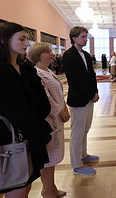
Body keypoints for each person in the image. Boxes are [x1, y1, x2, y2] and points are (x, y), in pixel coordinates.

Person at [0, 22, 52, 198]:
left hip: (29, 131)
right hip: (12, 135)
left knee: (26, 184)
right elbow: (13, 109)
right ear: (4, 41)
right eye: (21, 39)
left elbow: (39, 100)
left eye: (26, 39)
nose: (26, 44)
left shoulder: (25, 67)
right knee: (18, 186)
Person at [27, 43, 70, 198]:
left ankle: (51, 187)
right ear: (38, 55)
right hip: (49, 119)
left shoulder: (48, 71)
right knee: (48, 159)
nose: (51, 54)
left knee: (53, 158)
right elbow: (46, 99)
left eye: (51, 51)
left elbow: (58, 92)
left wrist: (64, 108)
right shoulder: (36, 73)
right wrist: (60, 112)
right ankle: (48, 190)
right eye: (47, 52)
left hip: (57, 118)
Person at [62, 26, 100, 176]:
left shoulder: (85, 54)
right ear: (74, 38)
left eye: (86, 36)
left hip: (89, 97)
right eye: (83, 36)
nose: (85, 39)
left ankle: (83, 155)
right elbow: (75, 80)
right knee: (77, 133)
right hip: (78, 99)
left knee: (86, 129)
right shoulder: (69, 55)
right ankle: (77, 165)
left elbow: (91, 75)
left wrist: (95, 92)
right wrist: (91, 94)